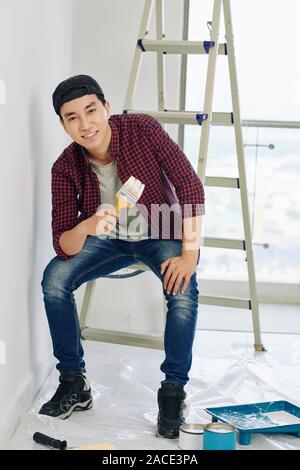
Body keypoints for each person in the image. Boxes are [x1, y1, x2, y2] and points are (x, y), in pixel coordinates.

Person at [39, 74, 205, 439]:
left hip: (160, 232)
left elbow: (190, 186)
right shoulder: (64, 167)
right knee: (54, 280)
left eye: (91, 111)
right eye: (72, 118)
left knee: (183, 290)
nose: (85, 125)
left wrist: (189, 255)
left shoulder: (142, 130)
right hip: (110, 240)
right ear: (63, 124)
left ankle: (173, 391)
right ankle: (73, 383)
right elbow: (63, 243)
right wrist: (87, 226)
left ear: (106, 107)